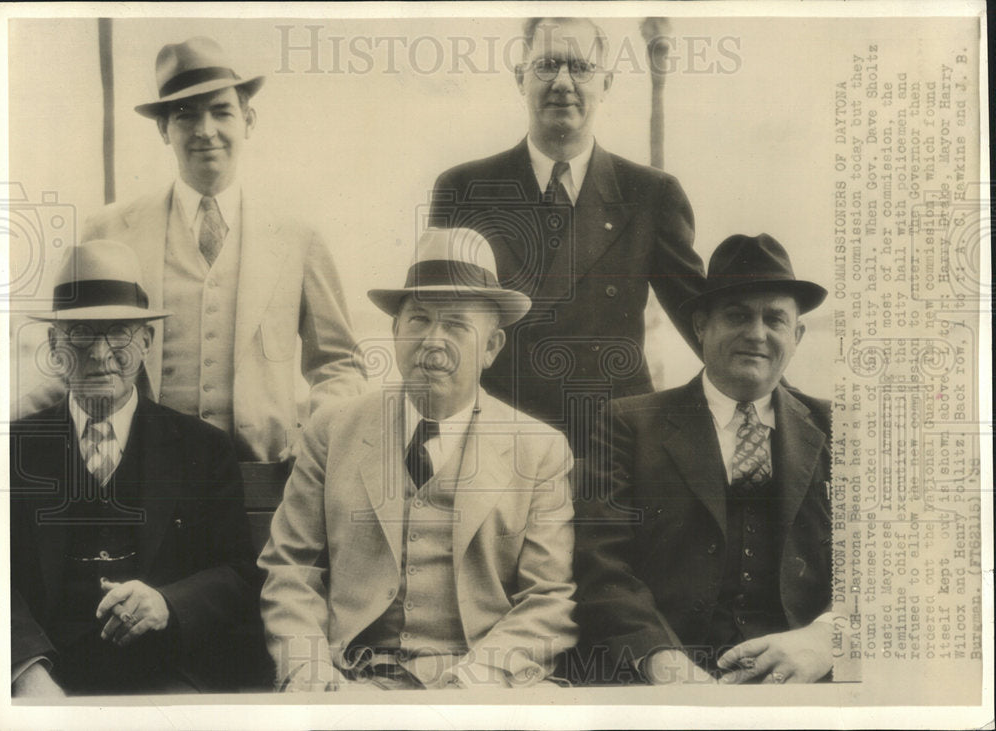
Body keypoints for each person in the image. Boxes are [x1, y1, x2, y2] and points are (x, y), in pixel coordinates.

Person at [258, 228, 577, 691]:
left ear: (491, 348)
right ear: (394, 331)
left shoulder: (539, 449)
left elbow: (548, 599)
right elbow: (290, 567)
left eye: (456, 326)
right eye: (419, 320)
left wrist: (475, 681)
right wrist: (309, 668)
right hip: (353, 682)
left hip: (484, 687)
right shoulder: (333, 428)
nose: (433, 340)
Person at [19, 36, 366, 461]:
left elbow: (338, 365)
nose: (206, 131)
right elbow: (72, 359)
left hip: (259, 480)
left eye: (221, 112)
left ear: (248, 120)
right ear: (164, 129)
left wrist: (317, 434)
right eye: (185, 116)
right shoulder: (108, 230)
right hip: (143, 482)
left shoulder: (297, 237)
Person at [429, 17, 705, 456]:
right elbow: (438, 324)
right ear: (520, 78)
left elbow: (705, 325)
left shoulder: (651, 195)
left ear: (606, 82)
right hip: (497, 444)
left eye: (580, 68)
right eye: (547, 65)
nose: (562, 82)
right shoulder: (464, 189)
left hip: (613, 450)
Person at [572, 234, 834, 685]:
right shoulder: (626, 425)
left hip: (802, 680)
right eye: (736, 315)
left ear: (798, 334)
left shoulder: (838, 428)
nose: (756, 333)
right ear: (700, 326)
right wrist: (660, 660)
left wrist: (826, 640)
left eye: (775, 319)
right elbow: (600, 564)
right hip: (662, 681)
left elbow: (887, 567)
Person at [10, 240, 259, 695]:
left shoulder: (203, 448)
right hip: (47, 677)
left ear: (146, 341)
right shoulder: (12, 450)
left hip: (170, 674)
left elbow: (239, 574)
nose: (102, 353)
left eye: (119, 331)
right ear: (54, 345)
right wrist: (24, 669)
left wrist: (169, 603)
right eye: (81, 332)